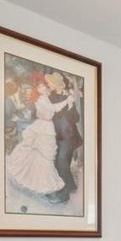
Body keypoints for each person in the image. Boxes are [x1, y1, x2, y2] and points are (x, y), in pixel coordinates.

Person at [6, 72, 74, 198]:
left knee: (45, 156)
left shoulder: (45, 97)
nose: (45, 88)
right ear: (37, 89)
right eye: (41, 87)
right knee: (43, 155)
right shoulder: (41, 99)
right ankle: (43, 183)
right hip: (43, 127)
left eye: (44, 86)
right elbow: (54, 109)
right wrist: (67, 101)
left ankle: (43, 181)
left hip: (46, 126)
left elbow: (53, 109)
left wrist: (66, 99)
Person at [45, 71, 82, 204]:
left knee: (61, 164)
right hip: (57, 136)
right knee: (60, 163)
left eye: (49, 82)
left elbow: (76, 118)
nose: (48, 84)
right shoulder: (50, 97)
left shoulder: (69, 97)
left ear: (56, 84)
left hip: (69, 137)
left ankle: (63, 195)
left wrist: (71, 106)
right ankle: (71, 186)